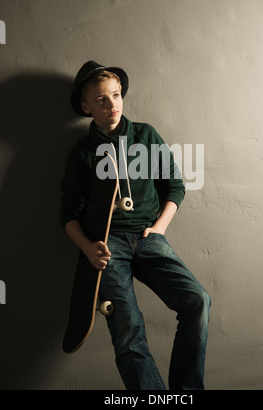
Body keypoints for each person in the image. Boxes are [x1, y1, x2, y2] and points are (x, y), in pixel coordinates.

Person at [60, 60, 211, 390]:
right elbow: (68, 213)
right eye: (101, 99)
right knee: (128, 332)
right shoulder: (82, 152)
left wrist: (159, 229)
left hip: (148, 237)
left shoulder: (145, 135)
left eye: (116, 95)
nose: (112, 104)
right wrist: (88, 248)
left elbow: (175, 185)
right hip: (107, 245)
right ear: (86, 106)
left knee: (197, 300)